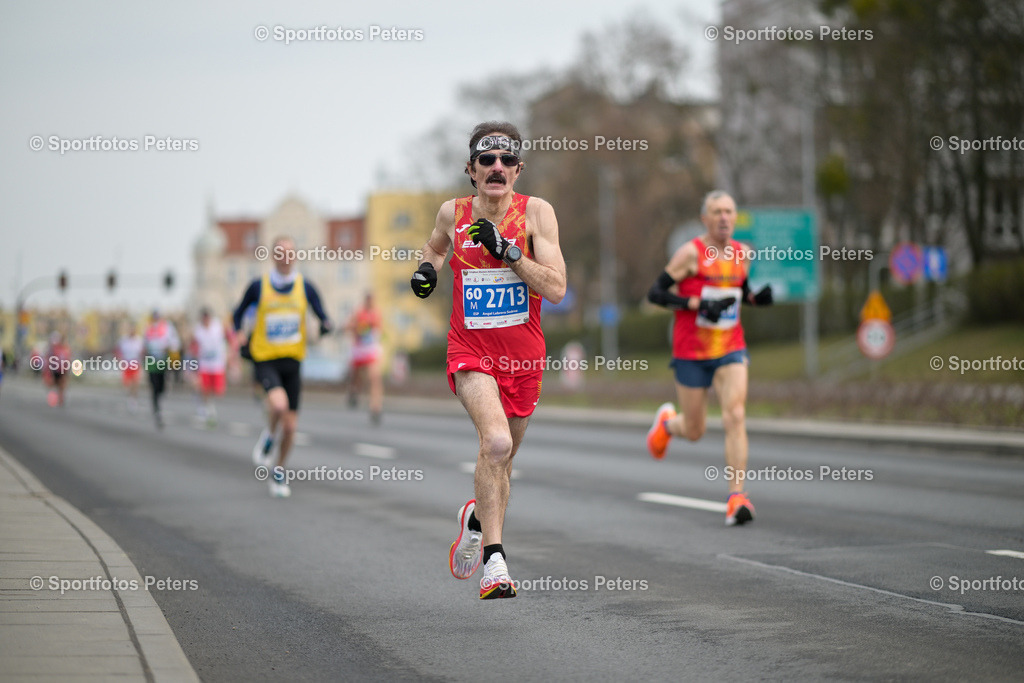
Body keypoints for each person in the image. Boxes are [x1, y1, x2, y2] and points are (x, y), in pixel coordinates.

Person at [411, 122, 567, 599]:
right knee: (495, 444)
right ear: (472, 170)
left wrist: (510, 252)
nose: (496, 167)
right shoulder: (451, 213)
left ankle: (476, 518)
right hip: (471, 351)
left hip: (524, 360)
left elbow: (557, 288)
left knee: (504, 462)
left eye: (505, 160)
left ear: (518, 170)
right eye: (486, 160)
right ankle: (495, 564)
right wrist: (425, 270)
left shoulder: (537, 214)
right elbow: (436, 247)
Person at [645, 190, 773, 526]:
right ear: (705, 219)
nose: (724, 217)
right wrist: (698, 305)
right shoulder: (690, 254)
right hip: (691, 351)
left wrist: (756, 299)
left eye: (729, 211)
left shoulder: (743, 254)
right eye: (716, 212)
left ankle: (737, 497)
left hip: (731, 347)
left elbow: (739, 290)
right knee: (696, 428)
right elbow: (656, 294)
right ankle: (669, 425)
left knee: (735, 414)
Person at [233, 235, 332, 498]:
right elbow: (237, 313)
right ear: (273, 256)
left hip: (293, 361)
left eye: (290, 252)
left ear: (296, 256)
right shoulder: (259, 286)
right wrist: (239, 334)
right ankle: (268, 433)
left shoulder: (305, 287)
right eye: (280, 252)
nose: (286, 257)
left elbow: (323, 315)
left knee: (290, 427)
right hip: (265, 358)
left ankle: (278, 471)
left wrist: (325, 325)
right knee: (278, 405)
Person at [345, 292, 384, 425]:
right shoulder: (358, 312)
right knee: (357, 377)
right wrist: (357, 327)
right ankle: (353, 392)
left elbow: (380, 329)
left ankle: (375, 407)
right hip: (359, 350)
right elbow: (348, 326)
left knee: (375, 378)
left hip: (371, 350)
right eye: (368, 300)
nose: (370, 302)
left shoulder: (377, 313)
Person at [144, 310, 181, 429]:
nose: (156, 319)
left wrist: (171, 349)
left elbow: (175, 342)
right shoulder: (148, 329)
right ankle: (156, 408)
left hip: (162, 360)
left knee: (161, 387)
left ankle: (159, 397)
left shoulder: (167, 327)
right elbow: (144, 344)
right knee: (154, 385)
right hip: (151, 361)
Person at [192, 307, 228, 426]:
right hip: (204, 364)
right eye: (204, 317)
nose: (206, 319)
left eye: (208, 317)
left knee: (218, 391)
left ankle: (208, 403)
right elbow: (193, 345)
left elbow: (229, 336)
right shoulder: (198, 330)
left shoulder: (218, 326)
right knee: (205, 388)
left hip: (217, 364)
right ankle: (207, 408)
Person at [116, 323, 144, 412]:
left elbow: (143, 351)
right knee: (128, 384)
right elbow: (118, 351)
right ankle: (130, 397)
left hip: (135, 364)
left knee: (135, 383)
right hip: (126, 364)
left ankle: (134, 400)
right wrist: (119, 360)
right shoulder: (123, 340)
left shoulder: (139, 340)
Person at [43, 332, 72, 407]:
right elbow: (49, 358)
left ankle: (61, 400)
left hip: (63, 370)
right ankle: (54, 399)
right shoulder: (54, 348)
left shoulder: (66, 348)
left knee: (62, 386)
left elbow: (68, 359)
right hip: (55, 370)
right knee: (53, 385)